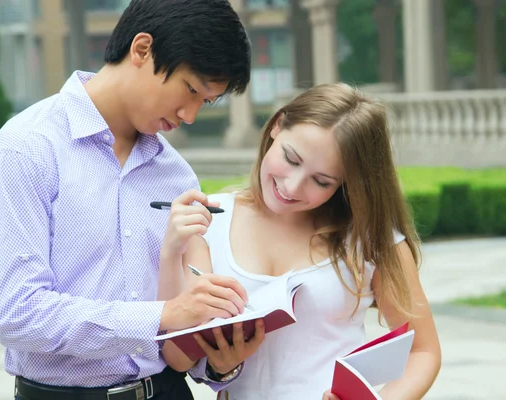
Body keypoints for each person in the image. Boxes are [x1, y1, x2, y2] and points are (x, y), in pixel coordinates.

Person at [0, 1, 264, 399]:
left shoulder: (176, 175)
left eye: (206, 102)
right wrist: (162, 316)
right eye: (191, 90)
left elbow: (182, 329)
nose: (191, 114)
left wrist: (216, 361)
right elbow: (19, 315)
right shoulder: (25, 151)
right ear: (142, 50)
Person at [160, 83, 442, 399]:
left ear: (348, 182)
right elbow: (176, 356)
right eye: (291, 159)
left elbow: (422, 351)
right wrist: (171, 253)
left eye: (322, 181)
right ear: (277, 126)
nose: (292, 187)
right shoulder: (209, 219)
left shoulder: (368, 236)